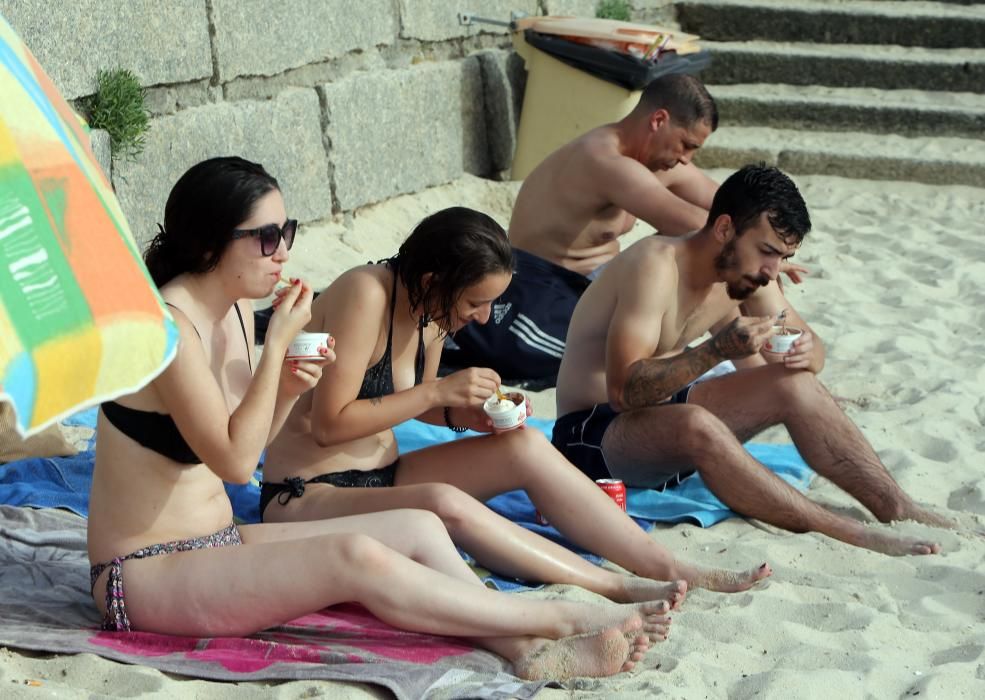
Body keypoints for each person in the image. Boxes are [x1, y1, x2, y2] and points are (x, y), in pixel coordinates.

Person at [87, 157, 671, 681]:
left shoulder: (236, 310)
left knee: (417, 527)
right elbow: (239, 465)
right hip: (142, 576)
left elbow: (252, 435)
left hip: (216, 543)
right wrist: (278, 355)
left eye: (286, 231)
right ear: (213, 242)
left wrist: (289, 384)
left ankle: (520, 645)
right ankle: (558, 620)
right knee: (355, 557)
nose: (284, 250)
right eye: (266, 237)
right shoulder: (168, 328)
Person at [262, 206, 771, 599]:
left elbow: (415, 407)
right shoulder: (365, 294)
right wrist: (438, 391)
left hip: (384, 476)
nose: (483, 318)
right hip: (307, 495)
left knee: (525, 445)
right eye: (475, 302)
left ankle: (664, 565)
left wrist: (468, 416)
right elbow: (330, 424)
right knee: (443, 502)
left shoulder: (432, 313)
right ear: (431, 281)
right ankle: (609, 587)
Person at [553, 163, 954, 557]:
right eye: (766, 252)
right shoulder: (655, 267)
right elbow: (623, 392)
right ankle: (845, 530)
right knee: (696, 423)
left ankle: (896, 506)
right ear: (724, 228)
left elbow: (812, 350)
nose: (772, 271)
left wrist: (804, 351)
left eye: (782, 256)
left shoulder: (746, 276)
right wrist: (716, 351)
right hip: (591, 435)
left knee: (792, 384)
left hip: (661, 424)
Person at [441, 73, 726, 385]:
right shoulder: (604, 160)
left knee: (734, 257)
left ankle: (777, 345)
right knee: (724, 250)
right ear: (659, 120)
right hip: (541, 290)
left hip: (595, 285)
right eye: (686, 145)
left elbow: (734, 205)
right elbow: (697, 225)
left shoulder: (658, 161)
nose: (687, 160)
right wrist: (756, 248)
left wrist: (769, 245)